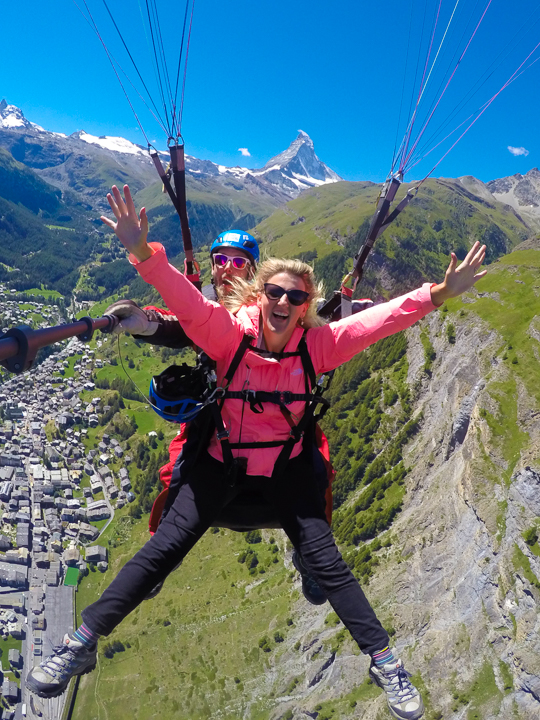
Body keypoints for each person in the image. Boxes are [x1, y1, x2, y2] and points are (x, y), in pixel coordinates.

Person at [27, 185, 487, 720]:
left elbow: (382, 318)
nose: (283, 304)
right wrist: (142, 252)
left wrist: (436, 294)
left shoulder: (321, 345)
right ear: (259, 295)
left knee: (327, 559)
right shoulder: (227, 337)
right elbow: (186, 304)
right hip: (223, 463)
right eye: (274, 293)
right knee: (162, 549)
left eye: (295, 298)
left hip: (285, 469)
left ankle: (385, 662)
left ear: (306, 307)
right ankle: (79, 643)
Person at [104, 229, 333, 605]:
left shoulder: (274, 305)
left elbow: (313, 326)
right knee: (179, 469)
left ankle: (312, 554)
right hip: (219, 415)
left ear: (254, 273)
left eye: (238, 262)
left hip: (278, 415)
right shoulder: (206, 304)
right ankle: (162, 552)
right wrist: (144, 322)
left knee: (317, 466)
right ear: (211, 267)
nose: (227, 269)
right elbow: (178, 323)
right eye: (220, 260)